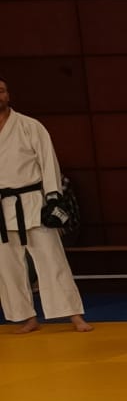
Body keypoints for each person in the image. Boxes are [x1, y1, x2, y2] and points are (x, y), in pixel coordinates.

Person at [0, 80, 90, 334]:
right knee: (7, 267)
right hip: (1, 209)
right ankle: (26, 317)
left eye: (1, 90)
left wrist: (53, 198)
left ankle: (74, 315)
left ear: (8, 95)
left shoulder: (30, 126)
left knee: (52, 259)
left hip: (32, 202)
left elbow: (48, 162)